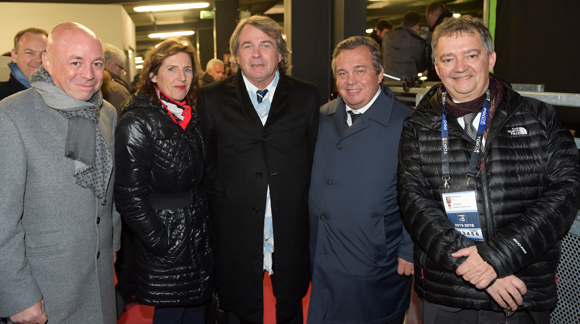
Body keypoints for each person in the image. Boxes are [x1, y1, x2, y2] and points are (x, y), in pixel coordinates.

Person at [397, 16, 580, 324]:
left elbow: (566, 192)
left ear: (491, 59)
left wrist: (497, 258)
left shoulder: (539, 118)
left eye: (471, 55)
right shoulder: (417, 127)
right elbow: (415, 204)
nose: (460, 67)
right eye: (448, 58)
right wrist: (479, 269)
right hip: (448, 292)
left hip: (520, 293)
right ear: (437, 68)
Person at [197, 14, 319, 324]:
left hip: (289, 225)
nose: (256, 54)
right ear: (236, 56)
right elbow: (207, 166)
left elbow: (314, 158)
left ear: (280, 53)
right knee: (238, 307)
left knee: (289, 305)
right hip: (235, 228)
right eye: (247, 46)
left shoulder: (306, 96)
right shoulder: (211, 99)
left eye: (265, 45)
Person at [0, 22, 120, 323]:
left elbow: (109, 187)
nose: (89, 74)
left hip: (99, 273)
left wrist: (112, 243)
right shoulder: (11, 116)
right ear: (48, 62)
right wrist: (17, 295)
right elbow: (2, 219)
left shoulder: (106, 112)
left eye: (96, 63)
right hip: (46, 286)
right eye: (75, 62)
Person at [308, 36, 414, 324]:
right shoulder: (322, 118)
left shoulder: (409, 125)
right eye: (342, 73)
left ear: (380, 73)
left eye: (360, 70)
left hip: (374, 262)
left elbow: (423, 193)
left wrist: (410, 248)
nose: (350, 80)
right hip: (324, 255)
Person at [114, 37, 214, 324]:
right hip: (165, 240)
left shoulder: (191, 115)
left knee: (196, 309)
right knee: (170, 313)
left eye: (187, 69)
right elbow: (128, 197)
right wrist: (161, 241)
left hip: (198, 235)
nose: (181, 78)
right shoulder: (137, 122)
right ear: (153, 75)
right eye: (171, 69)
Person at [0, 27, 47, 101]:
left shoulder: (60, 93)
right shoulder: (3, 96)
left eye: (44, 53)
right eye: (30, 53)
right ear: (14, 55)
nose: (38, 59)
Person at [382, 11, 427, 80]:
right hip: (407, 83)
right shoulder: (417, 42)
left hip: (387, 80)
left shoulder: (387, 37)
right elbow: (421, 67)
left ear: (402, 23)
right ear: (417, 25)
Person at [102, 43, 131, 118]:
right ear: (112, 66)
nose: (121, 75)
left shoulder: (90, 84)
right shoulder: (117, 90)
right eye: (121, 69)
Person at [425, 2, 453, 81]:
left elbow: (433, 58)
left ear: (430, 15)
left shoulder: (438, 31)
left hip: (441, 78)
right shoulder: (452, 26)